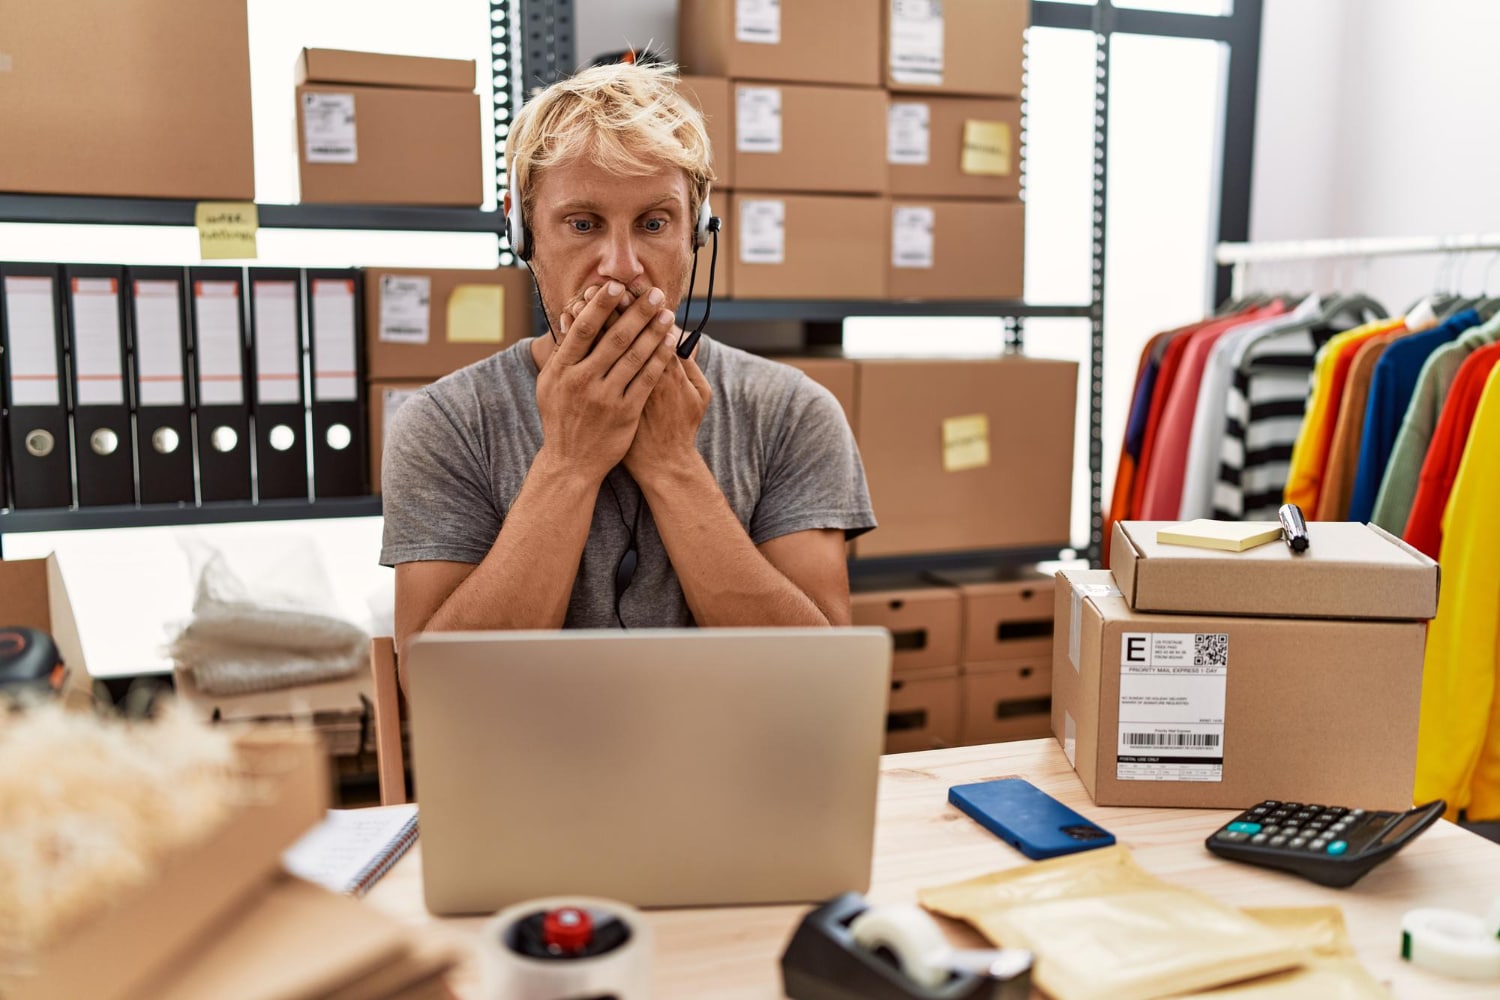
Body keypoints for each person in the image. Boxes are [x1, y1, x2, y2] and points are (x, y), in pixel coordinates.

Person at [380, 61, 874, 669]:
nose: (621, 266)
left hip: (736, 761)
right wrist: (568, 462)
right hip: (527, 764)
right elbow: (436, 689)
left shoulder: (793, 412)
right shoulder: (445, 423)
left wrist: (672, 464)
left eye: (654, 223)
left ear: (697, 233)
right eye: (583, 224)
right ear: (523, 232)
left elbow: (822, 679)